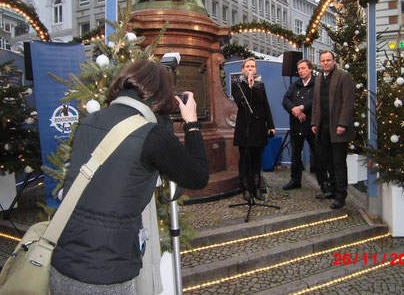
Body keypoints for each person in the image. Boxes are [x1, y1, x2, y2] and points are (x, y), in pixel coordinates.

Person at [49, 60, 209, 294]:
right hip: (106, 272)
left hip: (63, 262)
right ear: (161, 93)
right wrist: (192, 124)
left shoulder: (90, 121)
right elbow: (197, 177)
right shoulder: (150, 135)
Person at [311, 50, 355, 209]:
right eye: (323, 60)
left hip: (337, 128)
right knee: (327, 162)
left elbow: (348, 102)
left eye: (328, 60)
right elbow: (316, 103)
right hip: (322, 128)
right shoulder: (318, 79)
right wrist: (314, 123)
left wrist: (343, 124)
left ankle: (341, 196)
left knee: (338, 163)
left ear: (334, 61)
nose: (325, 63)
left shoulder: (343, 77)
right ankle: (332, 189)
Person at [232, 57, 275, 201]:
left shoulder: (261, 85)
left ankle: (257, 188)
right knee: (245, 158)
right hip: (244, 126)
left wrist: (271, 125)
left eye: (253, 66)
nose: (250, 69)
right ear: (243, 69)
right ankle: (245, 188)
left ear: (256, 69)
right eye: (247, 66)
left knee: (257, 158)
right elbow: (241, 102)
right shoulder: (237, 84)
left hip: (258, 126)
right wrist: (249, 86)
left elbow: (265, 105)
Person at [282, 59, 317, 190]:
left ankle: (324, 182)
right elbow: (285, 100)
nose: (301, 71)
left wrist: (302, 107)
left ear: (310, 69)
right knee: (295, 155)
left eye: (303, 68)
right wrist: (295, 111)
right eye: (299, 69)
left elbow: (316, 101)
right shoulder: (295, 85)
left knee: (318, 154)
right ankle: (295, 180)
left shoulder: (317, 84)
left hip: (311, 125)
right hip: (296, 125)